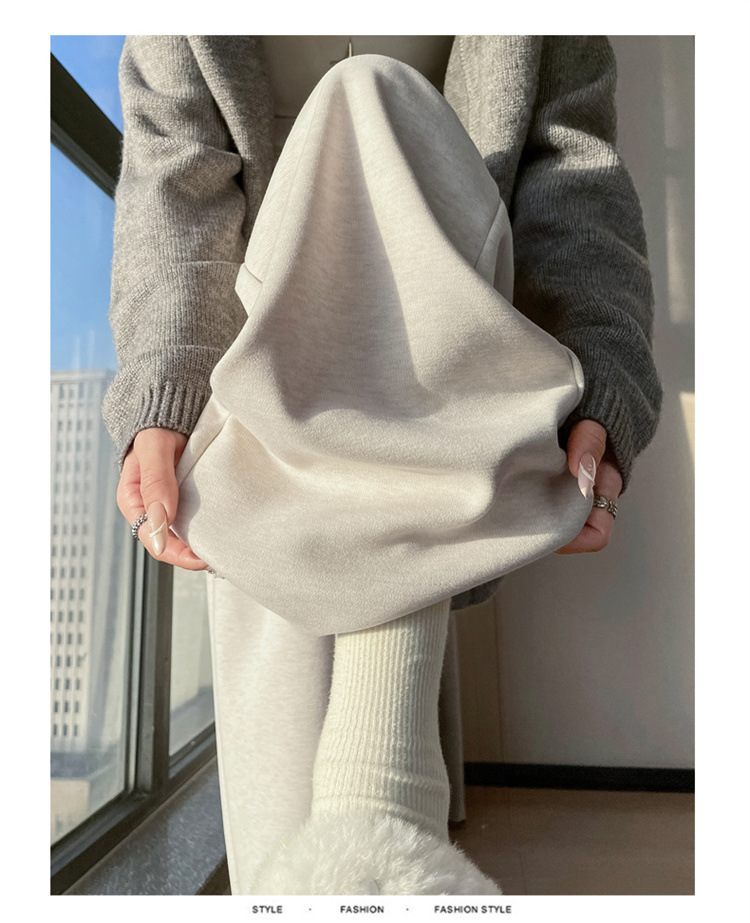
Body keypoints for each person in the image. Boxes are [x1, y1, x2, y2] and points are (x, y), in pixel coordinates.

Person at [103, 36, 662, 895]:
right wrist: (166, 384)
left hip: (460, 323)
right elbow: (174, 170)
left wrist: (604, 364)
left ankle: (375, 818)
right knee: (283, 799)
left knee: (368, 96)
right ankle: (381, 826)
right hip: (265, 330)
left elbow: (572, 169)